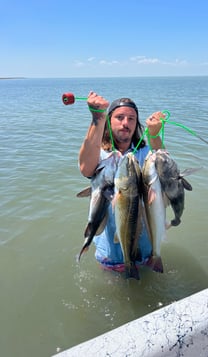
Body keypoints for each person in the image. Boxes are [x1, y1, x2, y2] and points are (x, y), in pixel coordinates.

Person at [78, 91, 165, 271]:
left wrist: (155, 136)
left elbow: (164, 171)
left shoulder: (143, 152)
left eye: (131, 119)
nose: (126, 123)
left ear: (136, 124)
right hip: (109, 253)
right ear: (109, 120)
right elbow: (86, 168)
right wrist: (97, 119)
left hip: (145, 248)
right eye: (119, 117)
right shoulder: (100, 153)